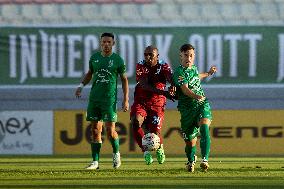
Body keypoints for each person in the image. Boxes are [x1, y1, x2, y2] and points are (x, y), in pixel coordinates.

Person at [75, 32, 129, 170]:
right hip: (95, 99)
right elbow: (89, 73)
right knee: (94, 130)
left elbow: (124, 80)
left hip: (109, 100)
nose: (106, 44)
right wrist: (81, 86)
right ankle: (95, 162)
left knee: (110, 131)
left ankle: (116, 153)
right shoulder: (94, 58)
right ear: (100, 43)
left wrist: (126, 99)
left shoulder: (118, 60)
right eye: (104, 42)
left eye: (109, 42)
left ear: (113, 44)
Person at [173, 43, 217, 172]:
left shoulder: (194, 68)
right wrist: (196, 96)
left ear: (194, 56)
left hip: (201, 104)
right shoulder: (179, 72)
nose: (189, 58)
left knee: (204, 127)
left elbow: (196, 77)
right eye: (186, 55)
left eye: (191, 55)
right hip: (187, 110)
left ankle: (205, 160)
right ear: (181, 56)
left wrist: (208, 73)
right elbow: (185, 90)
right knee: (190, 142)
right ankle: (191, 160)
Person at [130, 45, 176, 165]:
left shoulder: (164, 65)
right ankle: (145, 151)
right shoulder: (140, 65)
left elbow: (170, 77)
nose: (148, 57)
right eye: (146, 54)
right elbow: (144, 85)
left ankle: (160, 148)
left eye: (151, 55)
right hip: (141, 101)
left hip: (157, 102)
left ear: (157, 56)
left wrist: (173, 86)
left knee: (154, 132)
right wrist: (165, 92)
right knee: (135, 122)